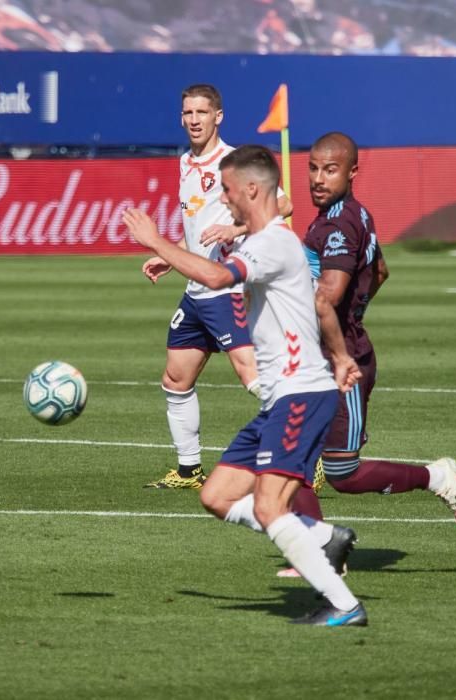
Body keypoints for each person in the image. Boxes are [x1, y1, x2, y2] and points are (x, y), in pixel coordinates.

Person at [125, 144, 368, 627]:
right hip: (282, 398)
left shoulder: (271, 244)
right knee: (215, 496)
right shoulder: (262, 240)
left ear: (251, 190)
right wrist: (340, 357)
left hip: (300, 394)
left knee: (267, 505)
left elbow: (216, 276)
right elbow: (320, 305)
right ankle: (322, 537)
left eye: (229, 191)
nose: (224, 199)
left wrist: (157, 242)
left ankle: (344, 604)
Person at [287, 132, 456, 537]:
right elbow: (382, 271)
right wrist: (354, 311)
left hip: (341, 363)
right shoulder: (350, 214)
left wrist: (335, 323)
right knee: (291, 456)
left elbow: (327, 295)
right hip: (318, 358)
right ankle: (317, 549)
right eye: (313, 168)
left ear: (353, 171)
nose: (318, 178)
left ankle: (435, 476)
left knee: (343, 474)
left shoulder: (339, 224)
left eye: (330, 170)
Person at [141, 83, 292, 489]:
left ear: (218, 117)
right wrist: (172, 256)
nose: (193, 120)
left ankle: (303, 452)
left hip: (227, 291)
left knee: (254, 379)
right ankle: (189, 470)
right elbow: (196, 230)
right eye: (187, 113)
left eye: (201, 113)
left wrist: (238, 226)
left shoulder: (235, 161)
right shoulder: (185, 163)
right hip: (196, 292)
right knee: (175, 378)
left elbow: (286, 204)